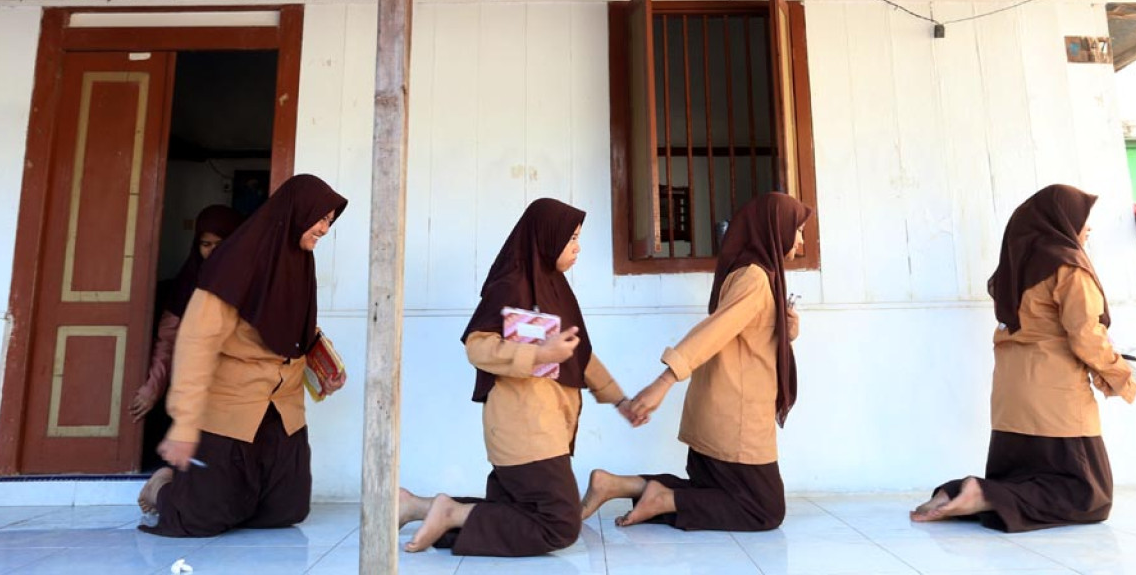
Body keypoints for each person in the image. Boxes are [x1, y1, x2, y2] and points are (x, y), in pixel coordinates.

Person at [399, 198, 642, 556]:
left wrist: (619, 398)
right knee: (561, 522)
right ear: (546, 238)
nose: (577, 247)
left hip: (548, 423)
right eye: (570, 238)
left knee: (521, 511)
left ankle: (419, 507)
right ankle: (450, 512)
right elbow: (477, 346)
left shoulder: (553, 286)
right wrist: (539, 354)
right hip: (523, 424)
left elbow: (578, 354)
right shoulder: (511, 284)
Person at [576, 192, 812, 532]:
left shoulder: (754, 273)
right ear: (776, 229)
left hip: (718, 412)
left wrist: (787, 333)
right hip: (736, 420)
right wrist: (664, 381)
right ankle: (663, 499)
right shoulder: (756, 278)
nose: (801, 239)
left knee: (714, 492)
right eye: (798, 229)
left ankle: (619, 485)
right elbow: (713, 332)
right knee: (765, 510)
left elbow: (745, 336)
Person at [911, 184, 1136, 532]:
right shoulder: (1069, 266)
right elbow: (1086, 335)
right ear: (1061, 220)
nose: (1088, 227)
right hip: (1055, 397)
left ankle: (958, 492)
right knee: (1090, 496)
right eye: (1082, 218)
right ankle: (981, 493)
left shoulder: (1016, 267)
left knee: (1023, 478)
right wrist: (1123, 375)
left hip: (1010, 400)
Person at [137, 174, 349, 537]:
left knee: (285, 511)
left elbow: (297, 330)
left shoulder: (297, 262)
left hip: (282, 407)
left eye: (329, 220)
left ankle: (214, 490)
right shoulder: (235, 263)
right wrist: (185, 424)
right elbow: (195, 342)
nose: (325, 228)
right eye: (320, 218)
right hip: (232, 405)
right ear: (297, 212)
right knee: (200, 519)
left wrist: (324, 369)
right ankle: (164, 485)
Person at [131, 205, 245, 433]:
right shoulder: (186, 286)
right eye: (206, 244)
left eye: (221, 245)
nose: (213, 252)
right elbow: (168, 341)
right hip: (194, 390)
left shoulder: (252, 283)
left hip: (239, 393)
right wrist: (153, 388)